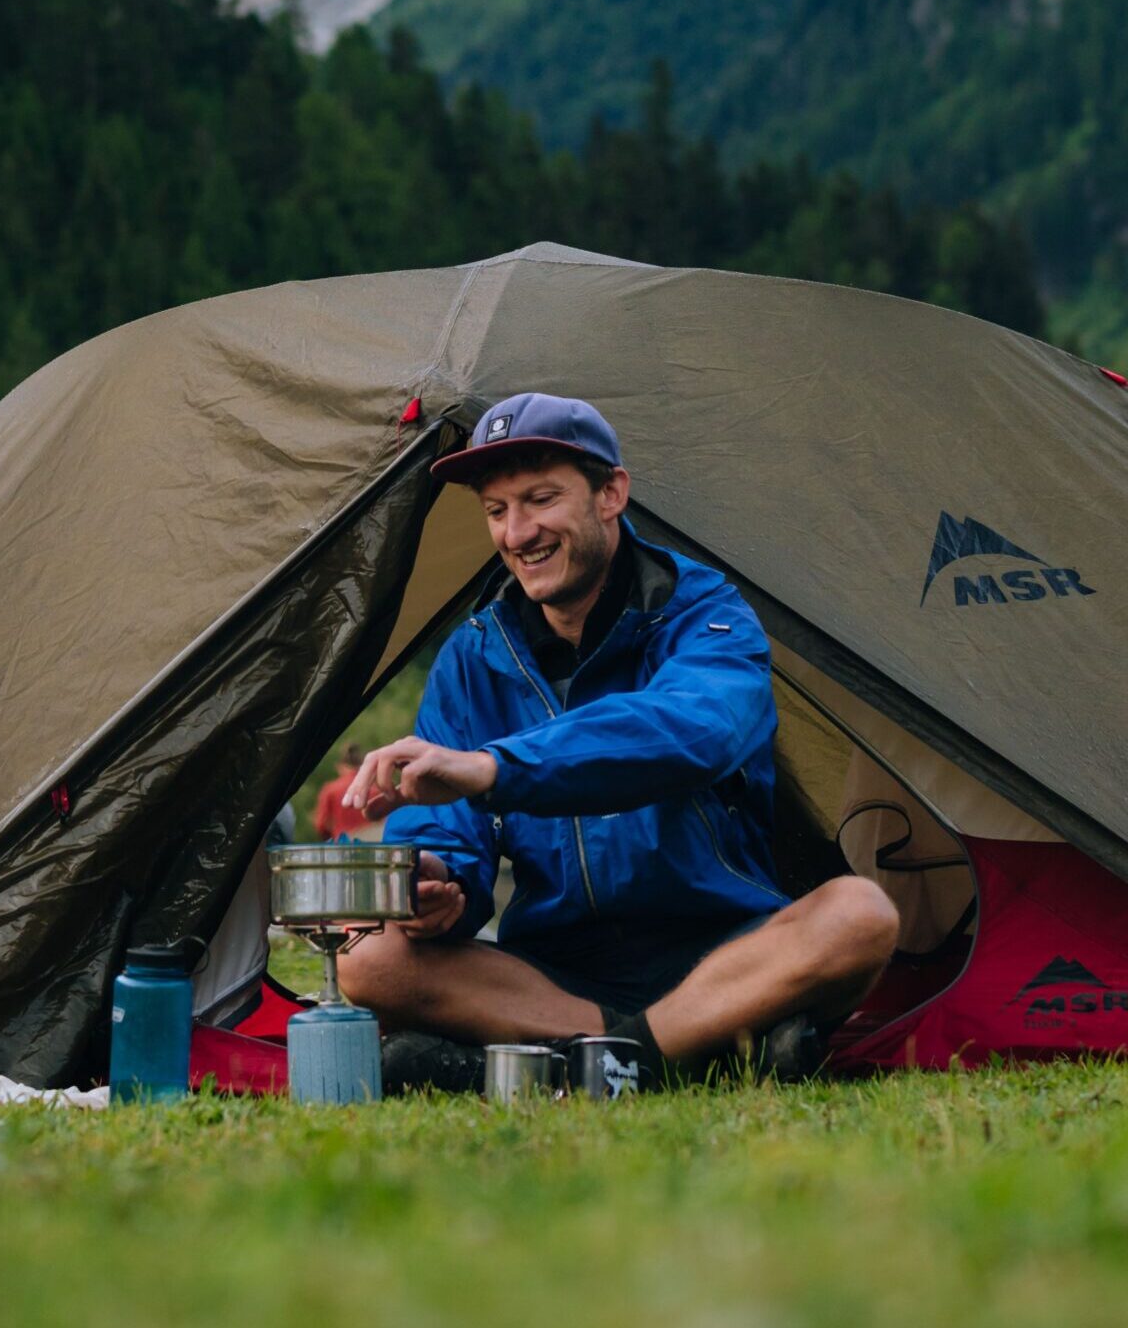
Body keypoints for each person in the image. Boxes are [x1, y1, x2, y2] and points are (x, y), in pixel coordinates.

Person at [337, 393, 897, 1089]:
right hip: (556, 972)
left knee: (859, 915)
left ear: (611, 494)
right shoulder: (472, 658)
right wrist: (441, 882)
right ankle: (689, 1049)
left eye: (541, 499)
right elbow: (444, 827)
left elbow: (693, 730)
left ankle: (598, 1061)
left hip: (727, 951)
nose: (517, 533)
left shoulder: (706, 613)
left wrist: (494, 766)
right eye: (496, 510)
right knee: (370, 957)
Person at [311, 745, 364, 842]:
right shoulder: (376, 789)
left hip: (342, 844)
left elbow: (321, 824)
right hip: (372, 845)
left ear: (340, 766)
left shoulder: (330, 790)